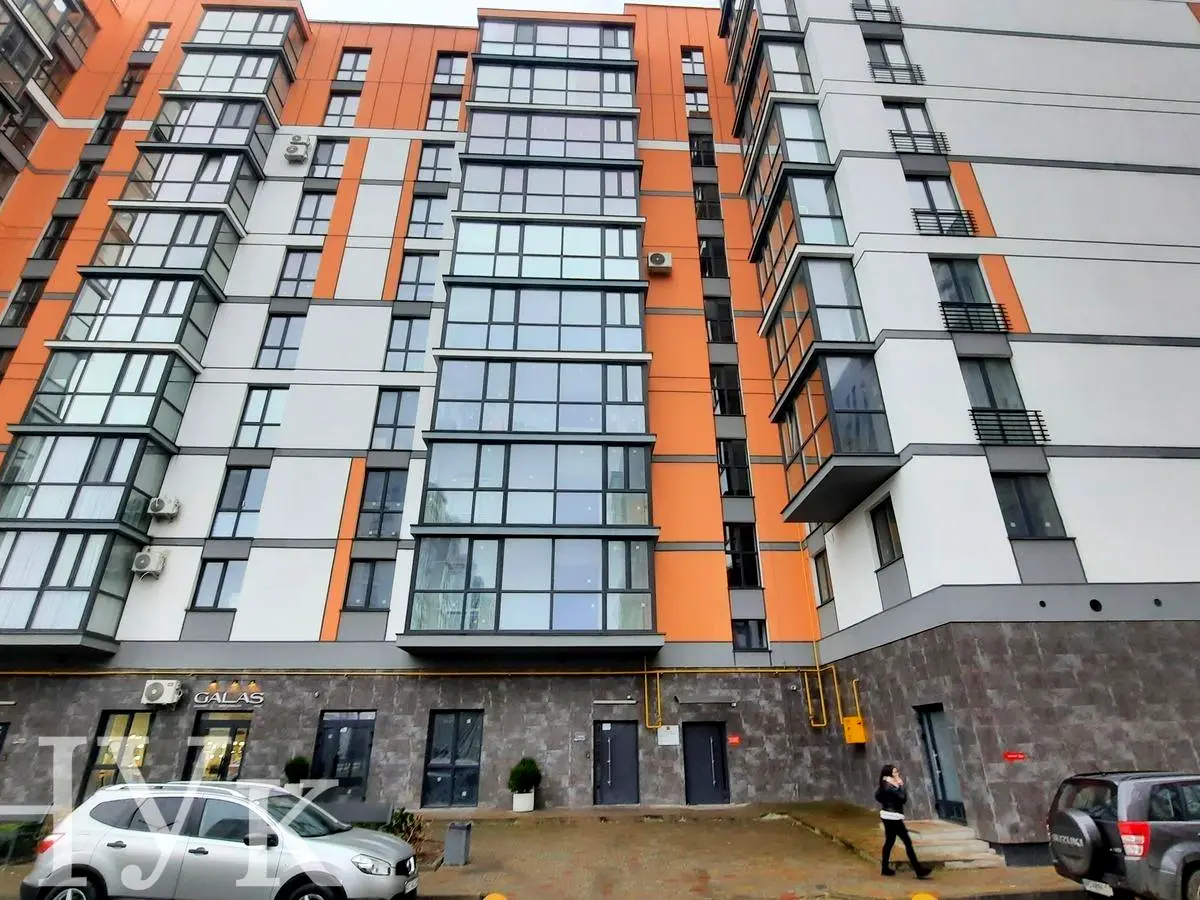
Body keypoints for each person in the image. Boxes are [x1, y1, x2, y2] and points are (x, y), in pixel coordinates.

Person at [875, 764, 932, 879]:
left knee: (889, 842)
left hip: (887, 815)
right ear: (889, 774)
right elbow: (903, 798)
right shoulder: (891, 786)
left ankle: (885, 868)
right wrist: (901, 785)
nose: (897, 774)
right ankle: (918, 870)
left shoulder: (883, 784)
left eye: (897, 772)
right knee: (907, 842)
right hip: (894, 817)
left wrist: (887, 801)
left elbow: (878, 796)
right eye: (895, 772)